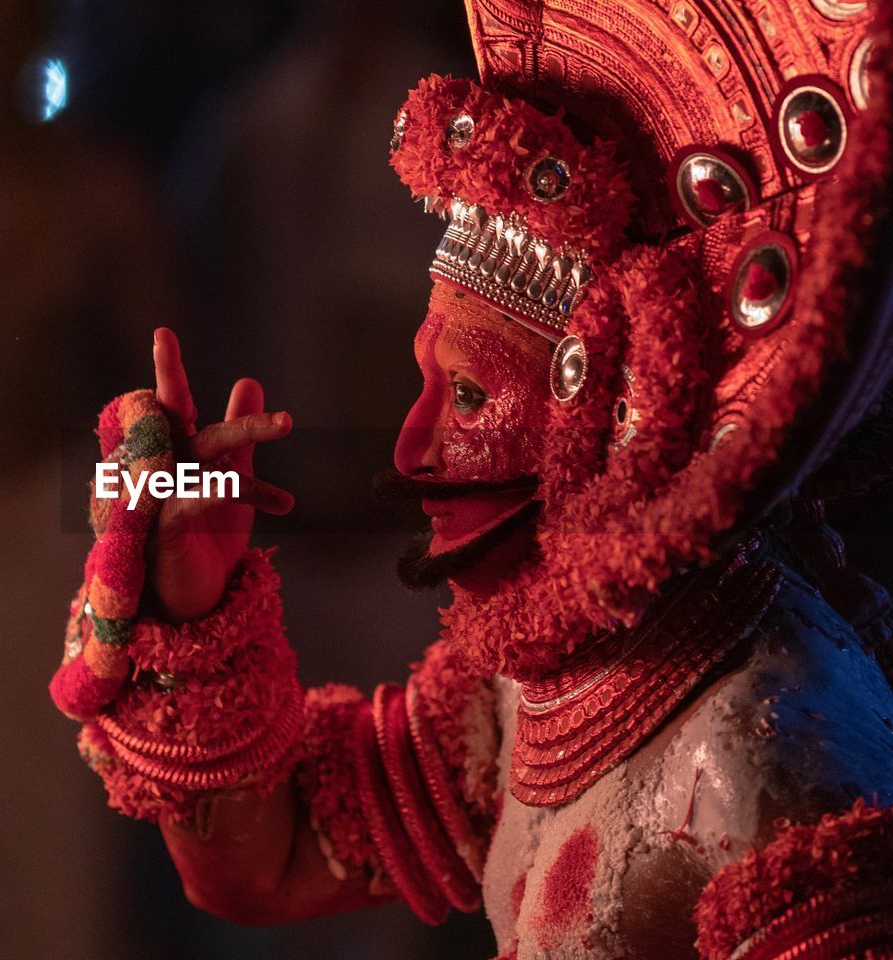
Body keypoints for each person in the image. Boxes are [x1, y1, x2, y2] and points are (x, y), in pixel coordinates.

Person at [51, 0, 893, 957]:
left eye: (469, 391)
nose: (411, 450)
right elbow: (266, 862)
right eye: (426, 384)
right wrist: (191, 606)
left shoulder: (770, 753)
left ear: (615, 414)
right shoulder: (533, 688)